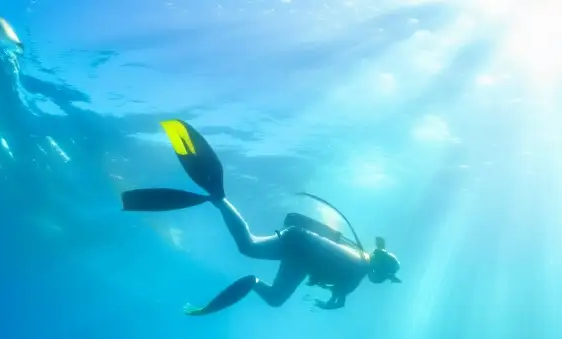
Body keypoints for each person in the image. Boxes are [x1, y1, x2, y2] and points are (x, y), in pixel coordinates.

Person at [121, 120, 401, 316]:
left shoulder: (357, 261)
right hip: (300, 247)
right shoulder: (356, 272)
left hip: (300, 247)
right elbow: (341, 293)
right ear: (379, 271)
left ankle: (219, 201)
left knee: (253, 254)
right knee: (259, 267)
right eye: (385, 277)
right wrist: (333, 303)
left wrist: (334, 300)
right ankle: (220, 204)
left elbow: (338, 290)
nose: (381, 280)